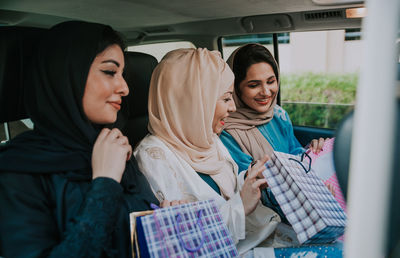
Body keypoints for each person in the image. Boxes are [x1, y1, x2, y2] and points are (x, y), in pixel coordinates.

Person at [0, 21, 161, 258]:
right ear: (66, 75)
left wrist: (165, 219)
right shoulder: (17, 171)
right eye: (109, 72)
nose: (125, 88)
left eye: (122, 75)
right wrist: (105, 183)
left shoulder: (112, 146)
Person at [135, 48, 297, 254]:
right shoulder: (153, 157)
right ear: (196, 101)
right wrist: (241, 206)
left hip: (256, 236)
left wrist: (250, 179)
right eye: (226, 98)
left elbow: (227, 190)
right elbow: (185, 241)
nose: (233, 108)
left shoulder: (208, 138)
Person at [220, 43, 329, 221]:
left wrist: (313, 152)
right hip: (265, 217)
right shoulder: (227, 131)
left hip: (303, 204)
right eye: (254, 85)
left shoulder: (278, 114)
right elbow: (250, 186)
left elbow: (294, 153)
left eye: (271, 81)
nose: (266, 92)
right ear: (236, 89)